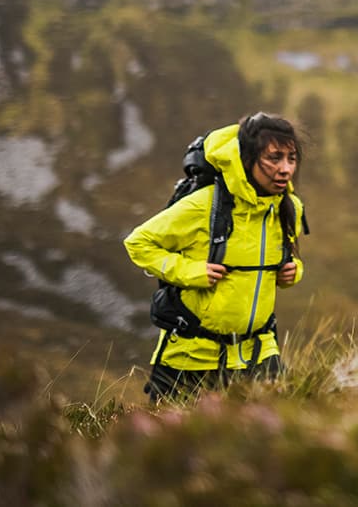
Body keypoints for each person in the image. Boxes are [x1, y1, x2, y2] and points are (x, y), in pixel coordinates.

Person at [124, 112, 306, 400]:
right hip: (192, 356)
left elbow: (284, 262)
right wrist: (190, 272)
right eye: (274, 158)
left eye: (291, 158)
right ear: (246, 159)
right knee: (178, 443)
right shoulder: (204, 205)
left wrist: (293, 271)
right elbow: (138, 243)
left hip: (258, 352)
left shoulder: (289, 208)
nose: (285, 169)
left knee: (282, 429)